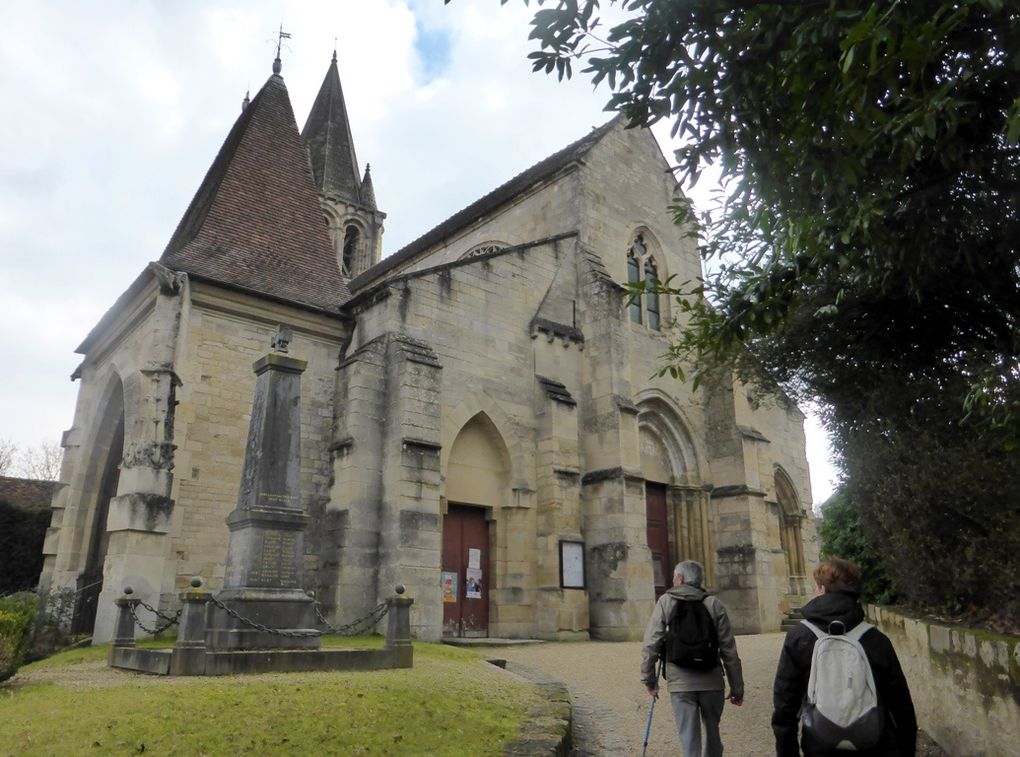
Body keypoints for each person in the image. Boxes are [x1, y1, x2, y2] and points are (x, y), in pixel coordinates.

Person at [772, 558, 917, 757]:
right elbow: (901, 706)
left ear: (822, 590)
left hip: (820, 744)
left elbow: (785, 706)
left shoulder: (799, 637)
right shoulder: (875, 639)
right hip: (874, 744)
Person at [641, 560, 744, 757]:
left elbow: (651, 643)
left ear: (680, 579)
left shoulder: (666, 602)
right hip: (712, 681)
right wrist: (737, 687)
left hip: (681, 683)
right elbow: (729, 650)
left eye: (673, 577)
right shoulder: (714, 604)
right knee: (713, 734)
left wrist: (649, 680)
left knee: (689, 740)